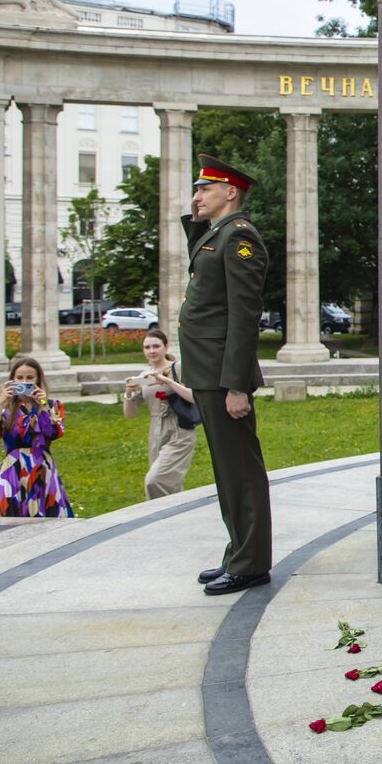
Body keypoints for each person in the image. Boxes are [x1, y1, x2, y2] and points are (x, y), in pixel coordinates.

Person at [179, 154, 271, 596]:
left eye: (204, 189)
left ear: (229, 192)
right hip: (207, 372)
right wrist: (197, 220)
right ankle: (238, 554)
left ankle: (250, 563)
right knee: (225, 470)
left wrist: (237, 384)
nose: (197, 196)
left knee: (240, 471)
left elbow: (244, 315)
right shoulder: (217, 235)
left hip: (221, 375)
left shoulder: (240, 239)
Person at [0, 355, 73, 518]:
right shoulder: (4, 408)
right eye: (19, 378)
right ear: (12, 380)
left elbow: (55, 432)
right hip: (12, 469)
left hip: (42, 467)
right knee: (9, 517)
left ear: (38, 379)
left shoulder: (52, 405)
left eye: (29, 378)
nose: (24, 382)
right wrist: (1, 403)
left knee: (47, 518)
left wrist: (43, 403)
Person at [123, 329, 197, 499]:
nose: (152, 351)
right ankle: (172, 518)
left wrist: (167, 382)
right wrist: (128, 393)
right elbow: (129, 414)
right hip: (156, 432)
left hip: (180, 430)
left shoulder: (177, 368)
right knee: (169, 483)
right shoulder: (144, 375)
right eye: (147, 347)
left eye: (156, 346)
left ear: (166, 347)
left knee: (154, 480)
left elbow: (196, 397)